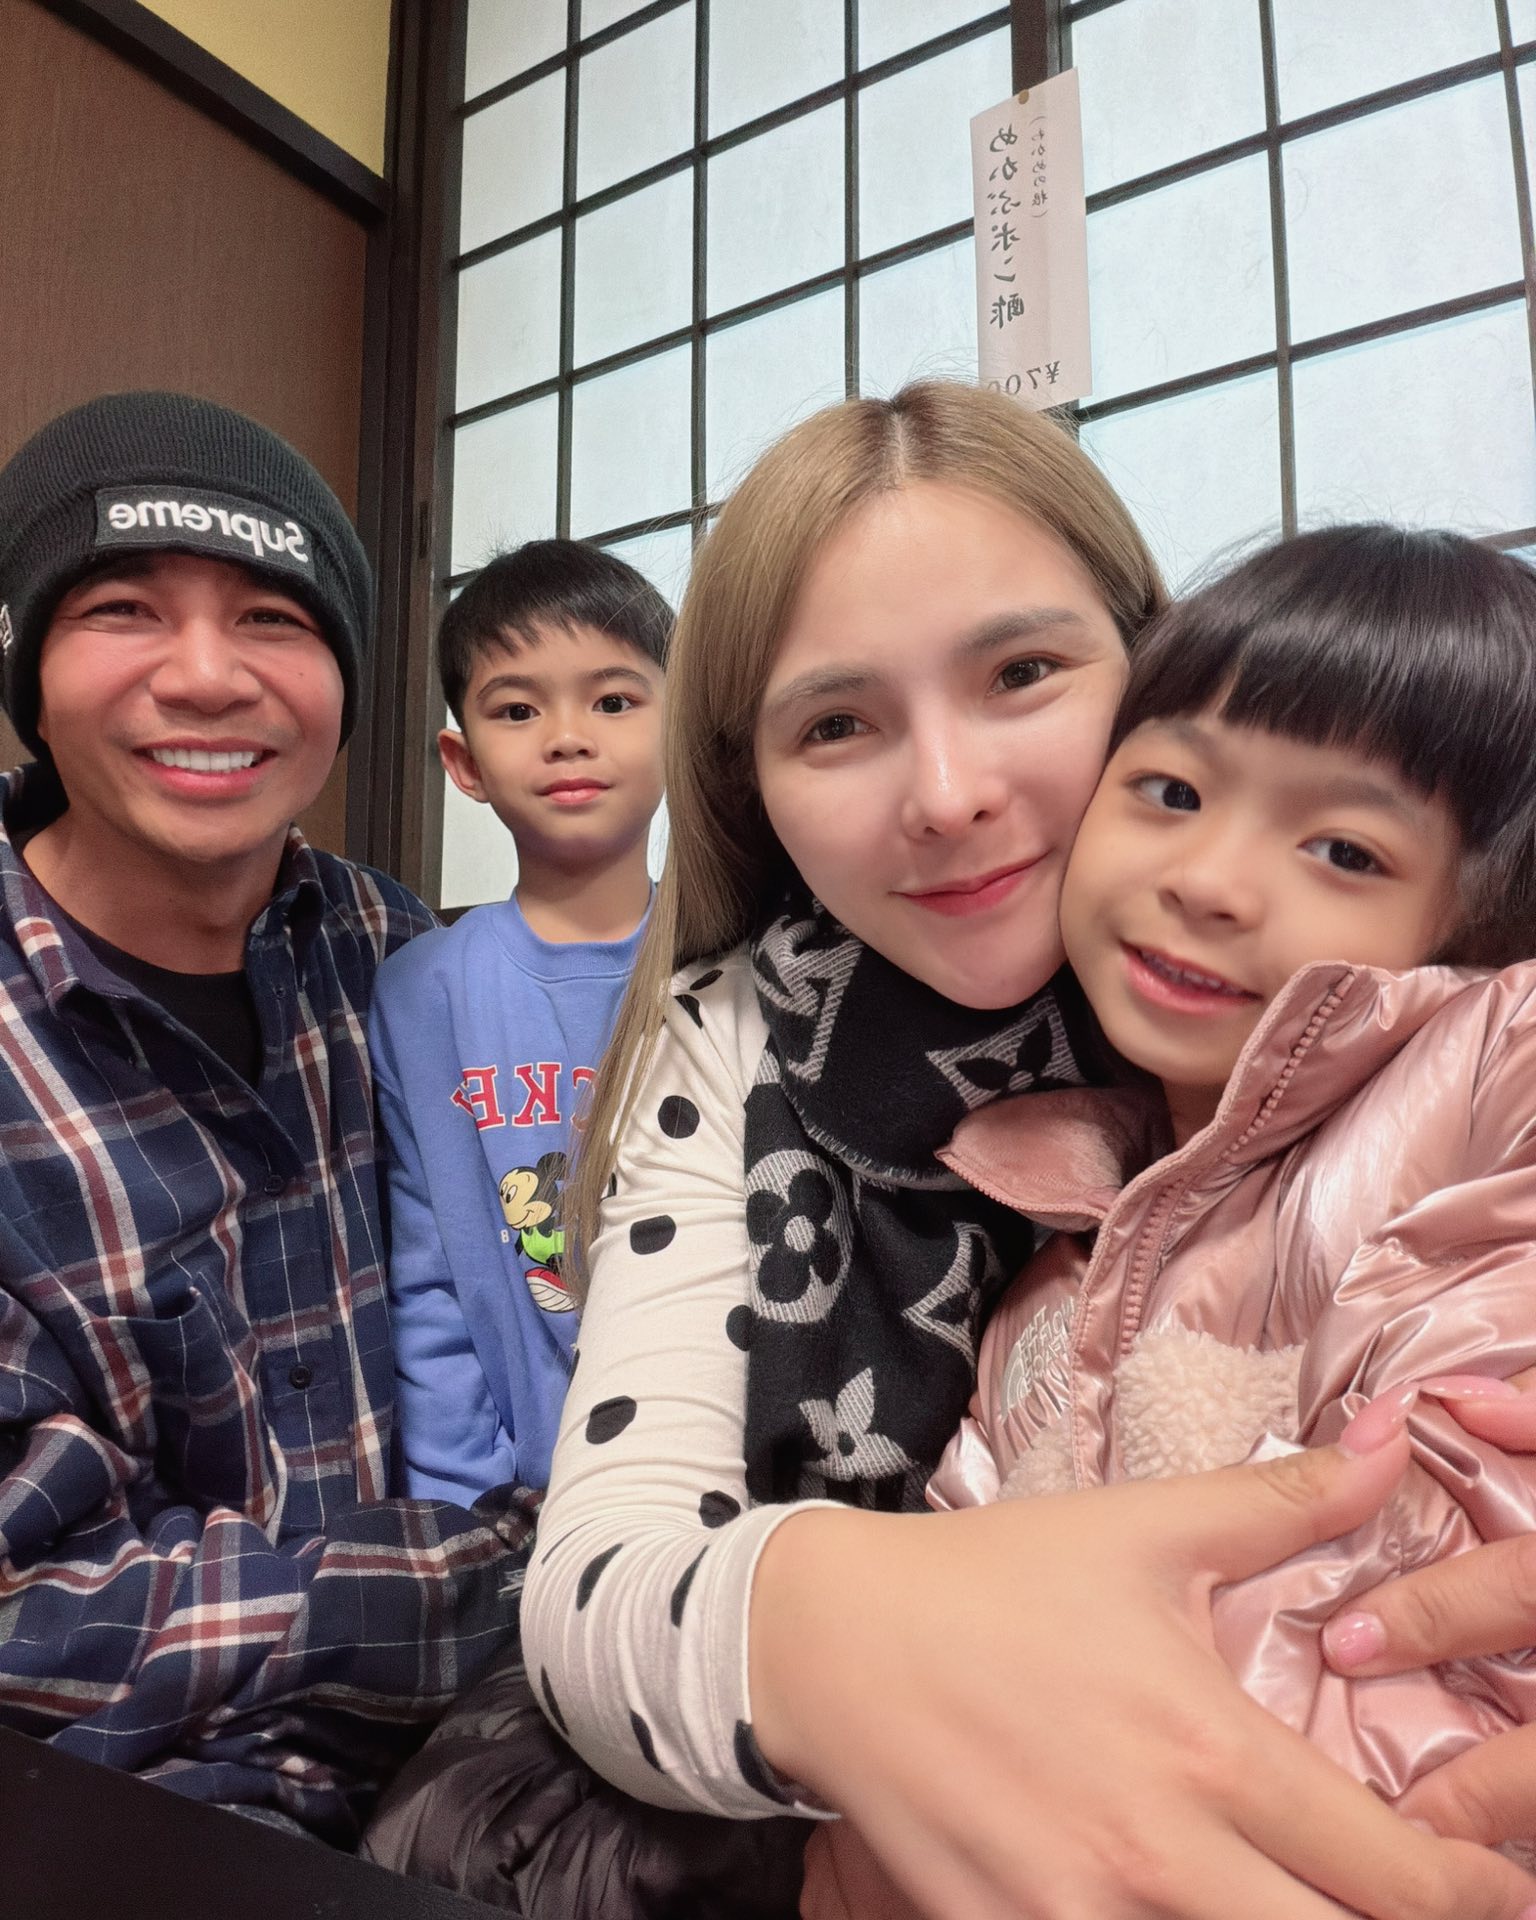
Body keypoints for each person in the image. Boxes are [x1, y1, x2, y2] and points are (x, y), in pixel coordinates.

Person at [519, 382, 1536, 1920]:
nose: (949, 798)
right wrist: (860, 1659)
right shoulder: (737, 1037)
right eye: (837, 724)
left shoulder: (1406, 1030)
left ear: (1150, 655)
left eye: (1023, 674)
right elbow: (603, 1580)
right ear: (753, 788)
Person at [808, 523, 1536, 1913]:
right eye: (1171, 790)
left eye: (1345, 848)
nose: (1209, 879)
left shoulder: (1478, 1079)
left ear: (1479, 918)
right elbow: (951, 1596)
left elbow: (1406, 1612)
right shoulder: (1049, 1236)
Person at [0, 392, 527, 1844]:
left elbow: (534, 1257)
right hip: (142, 1812)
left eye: (274, 620)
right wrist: (517, 1577)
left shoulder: (397, 953)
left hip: (488, 1744)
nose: (206, 676)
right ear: (28, 666)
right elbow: (29, 1611)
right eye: (123, 609)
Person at [369, 540, 669, 1505]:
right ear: (465, 763)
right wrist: (458, 1508)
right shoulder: (419, 992)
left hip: (726, 1479)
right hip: (519, 1501)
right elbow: (426, 1276)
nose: (568, 737)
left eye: (613, 701)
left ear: (681, 726)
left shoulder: (737, 957)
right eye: (517, 710)